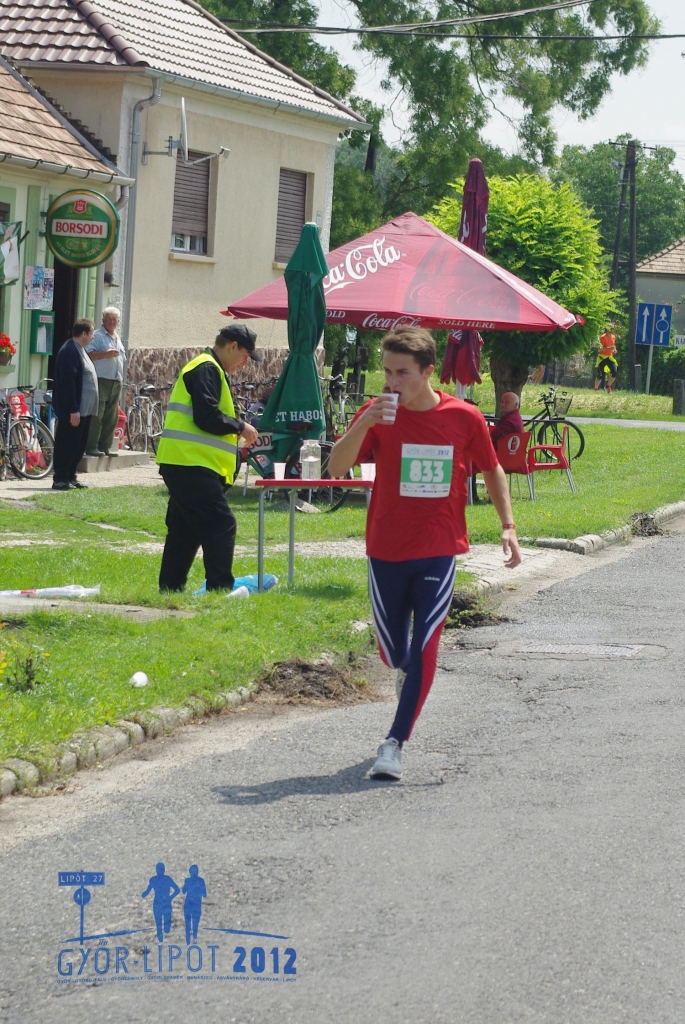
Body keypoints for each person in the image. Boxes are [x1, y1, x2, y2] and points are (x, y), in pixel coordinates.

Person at [329, 327, 522, 782]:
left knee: (427, 644)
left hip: (439, 549)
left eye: (402, 373)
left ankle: (393, 743)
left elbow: (492, 469)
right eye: (387, 371)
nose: (392, 382)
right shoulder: (377, 414)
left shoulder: (463, 417)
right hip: (386, 549)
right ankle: (407, 671)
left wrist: (508, 525)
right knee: (395, 652)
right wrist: (364, 422)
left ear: (428, 371)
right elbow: (336, 468)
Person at [155, 325, 260, 592]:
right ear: (232, 346)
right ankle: (220, 588)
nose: (245, 362)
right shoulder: (206, 368)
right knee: (221, 523)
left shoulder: (209, 368)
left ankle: (169, 589)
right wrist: (240, 426)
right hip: (190, 464)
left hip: (184, 462)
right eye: (245, 355)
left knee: (185, 529)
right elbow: (207, 417)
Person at [51, 318, 98, 491]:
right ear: (84, 333)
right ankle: (60, 478)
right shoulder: (69, 351)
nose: (93, 337)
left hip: (85, 410)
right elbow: (68, 382)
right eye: (91, 333)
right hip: (74, 410)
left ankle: (71, 475)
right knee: (67, 444)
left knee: (78, 445)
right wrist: (73, 409)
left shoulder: (80, 349)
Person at [85, 306, 126, 455]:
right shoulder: (97, 336)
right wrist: (105, 354)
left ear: (118, 321)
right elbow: (88, 355)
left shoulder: (117, 337)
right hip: (101, 380)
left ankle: (105, 447)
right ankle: (92, 446)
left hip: (116, 381)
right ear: (103, 320)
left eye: (114, 320)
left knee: (111, 416)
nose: (112, 322)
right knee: (97, 414)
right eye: (109, 319)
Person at [141, 862, 181, 943]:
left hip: (165, 903)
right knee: (159, 926)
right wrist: (144, 894)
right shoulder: (153, 880)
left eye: (161, 869)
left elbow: (177, 889)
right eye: (159, 869)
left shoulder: (167, 879)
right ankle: (161, 941)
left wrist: (170, 897)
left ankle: (165, 938)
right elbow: (148, 890)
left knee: (167, 928)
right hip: (158, 903)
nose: (160, 871)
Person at [182, 864, 207, 945]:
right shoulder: (201, 881)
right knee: (195, 922)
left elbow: (183, 891)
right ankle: (195, 939)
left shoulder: (187, 880)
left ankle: (187, 939)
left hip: (188, 903)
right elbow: (204, 894)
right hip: (196, 903)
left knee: (187, 922)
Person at [594, 327, 618, 392]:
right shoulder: (602, 337)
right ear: (607, 329)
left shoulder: (613, 337)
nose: (612, 329)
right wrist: (609, 348)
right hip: (602, 358)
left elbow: (613, 347)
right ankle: (596, 388)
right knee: (600, 375)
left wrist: (614, 350)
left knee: (614, 372)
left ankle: (608, 386)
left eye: (613, 328)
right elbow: (600, 349)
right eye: (611, 328)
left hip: (609, 357)